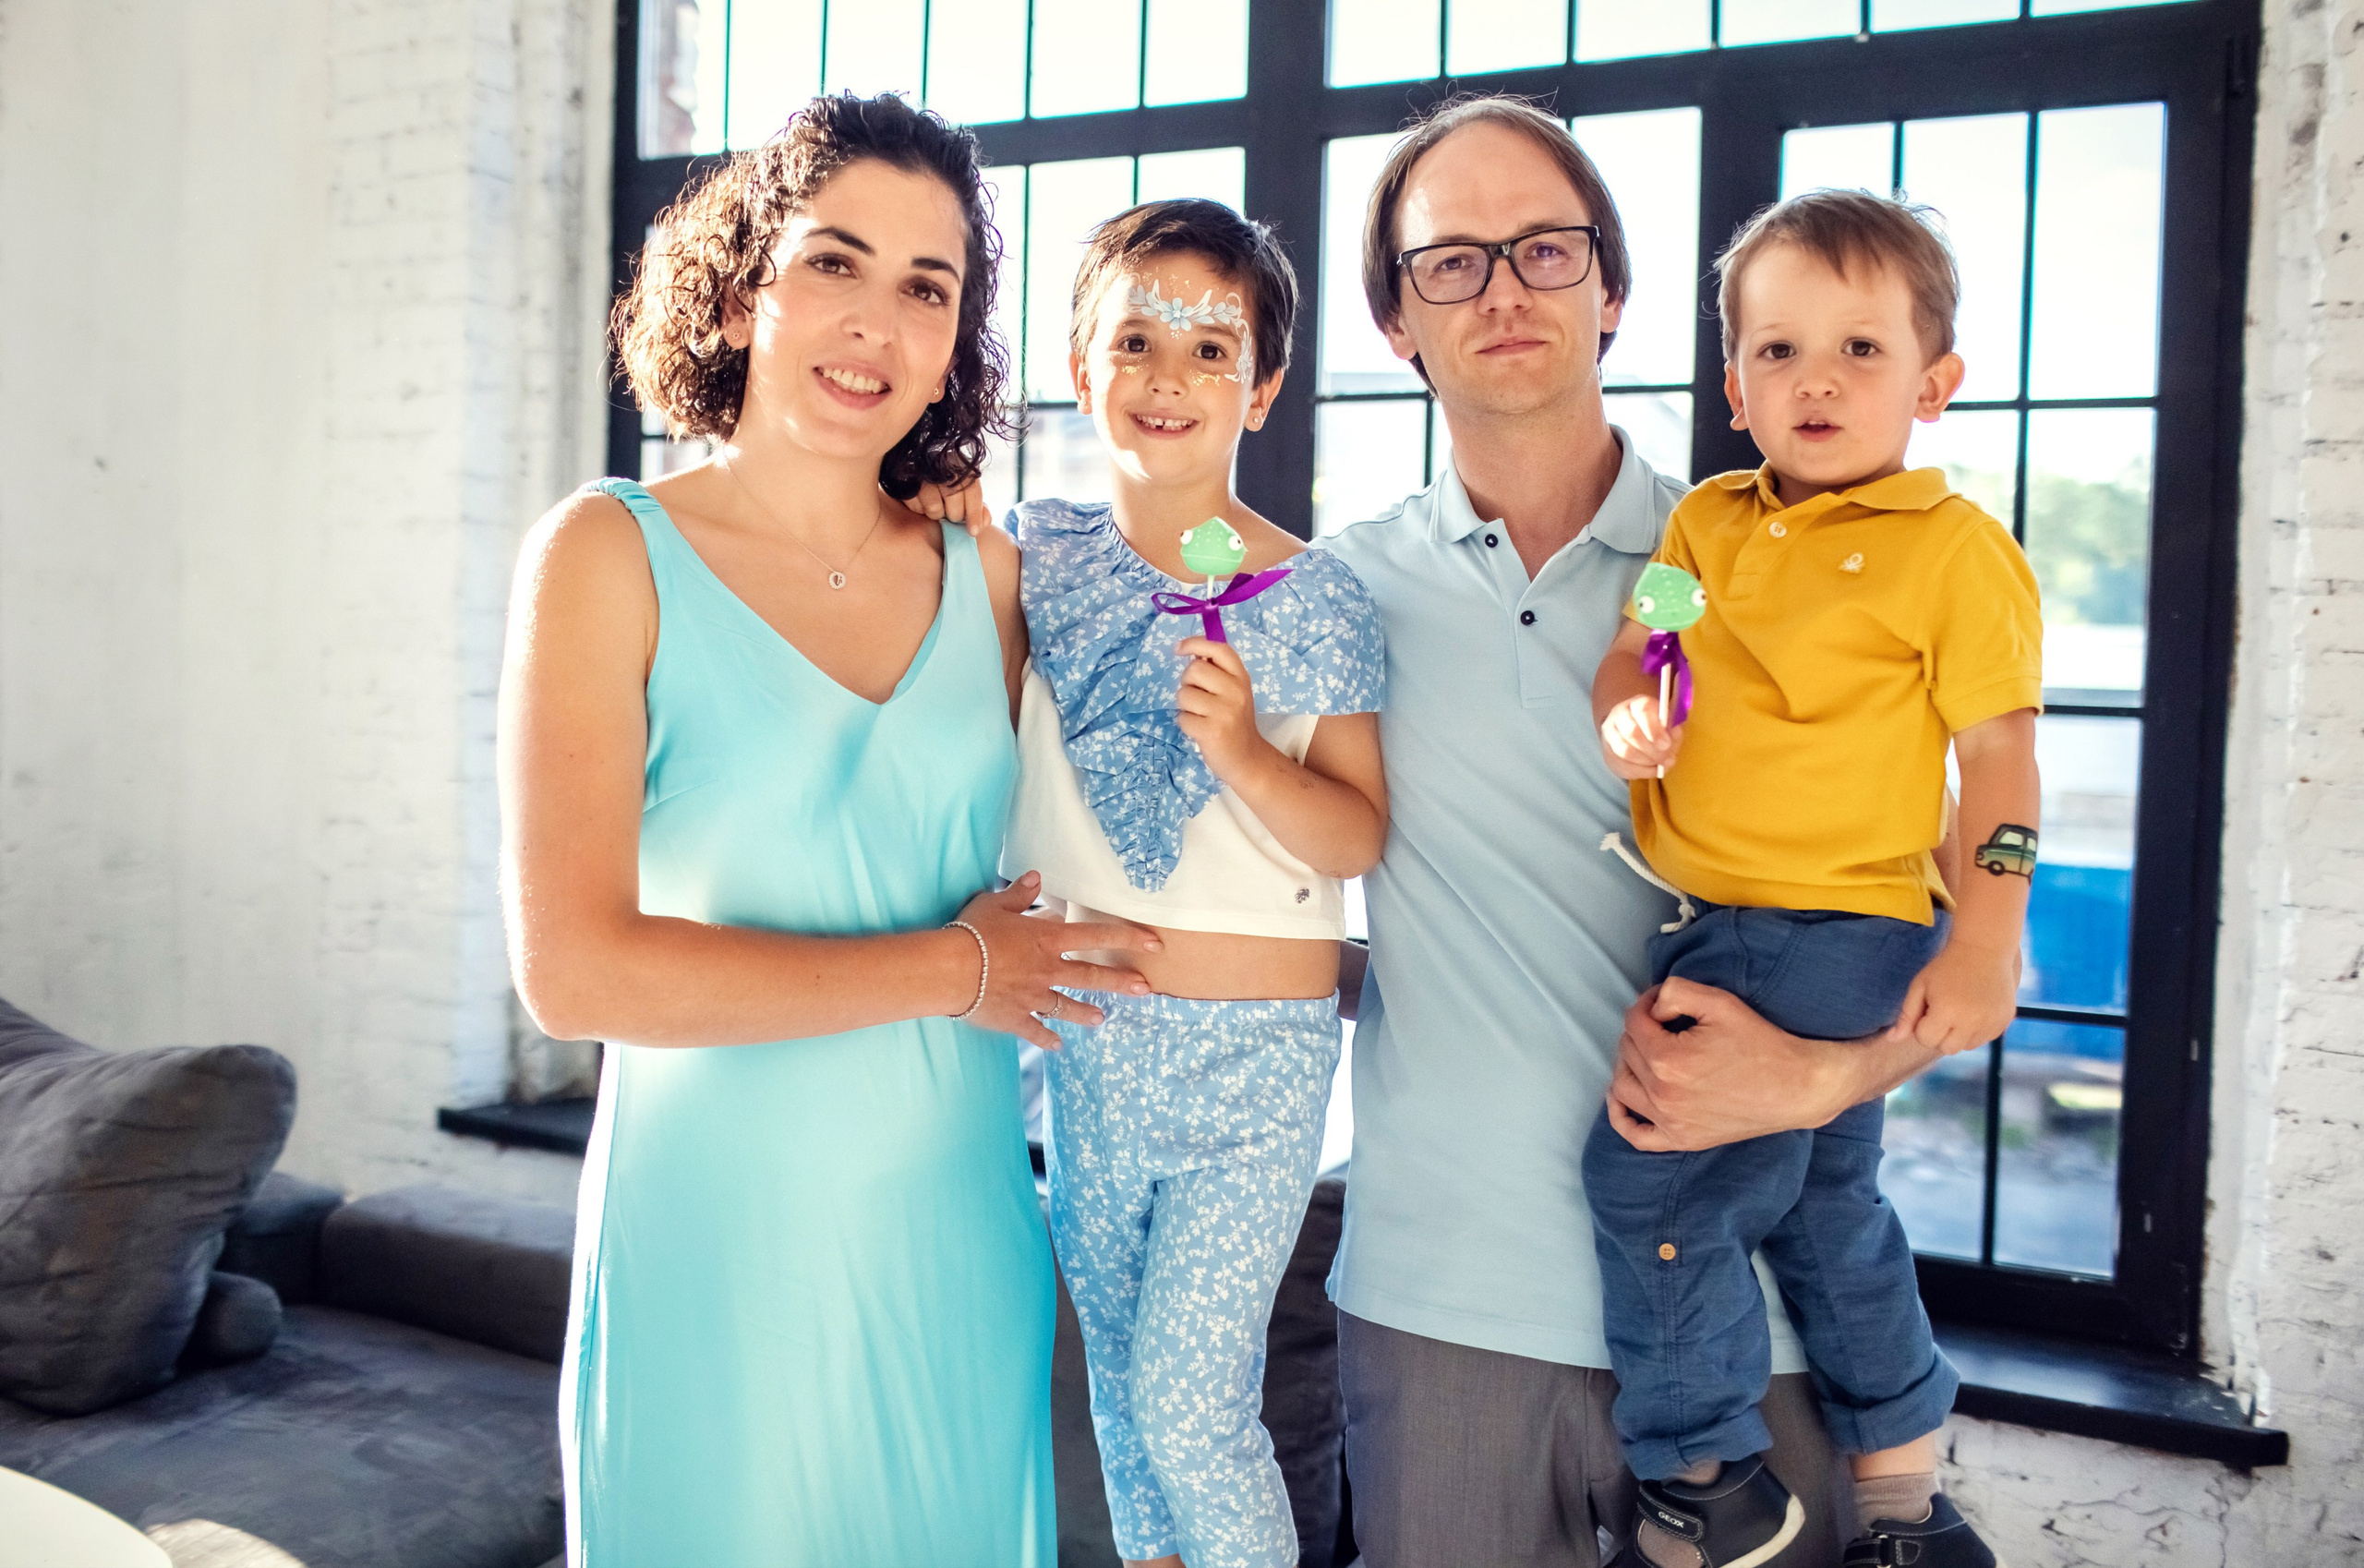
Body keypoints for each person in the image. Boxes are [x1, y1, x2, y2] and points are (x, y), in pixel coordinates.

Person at [498, 93, 1159, 1567]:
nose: (875, 322)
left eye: (927, 288)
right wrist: (952, 971)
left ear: (952, 344)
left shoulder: (989, 575)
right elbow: (576, 973)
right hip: (714, 1257)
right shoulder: (610, 553)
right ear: (743, 293)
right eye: (833, 263)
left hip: (956, 1252)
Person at [1318, 94, 1964, 1568]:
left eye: (1546, 248)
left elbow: (1932, 928)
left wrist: (1828, 1071)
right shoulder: (1336, 595)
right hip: (1445, 1305)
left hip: (1757, 1327)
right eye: (1450, 261)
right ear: (1395, 321)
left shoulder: (1766, 560)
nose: (1503, 289)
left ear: (1612, 291)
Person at [1586, 190, 2033, 1568]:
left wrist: (1987, 939)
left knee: (1655, 1178)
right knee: (1828, 1203)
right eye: (1778, 352)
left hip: (1821, 919)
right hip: (1732, 910)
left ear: (1934, 384)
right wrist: (1629, 710)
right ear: (1734, 387)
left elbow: (1999, 762)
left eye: (1858, 349)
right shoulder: (1706, 532)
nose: (1816, 379)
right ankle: (1904, 1502)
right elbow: (1638, 649)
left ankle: (1706, 1479)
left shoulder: (1953, 551)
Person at [1003, 199, 1389, 1568]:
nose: (1170, 374)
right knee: (1122, 1386)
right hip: (1094, 1046)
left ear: (1263, 387)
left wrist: (1238, 747)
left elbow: (1355, 838)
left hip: (1255, 1062)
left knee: (1191, 1396)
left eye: (1212, 347)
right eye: (1138, 337)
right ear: (1079, 361)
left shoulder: (1316, 594)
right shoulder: (1030, 562)